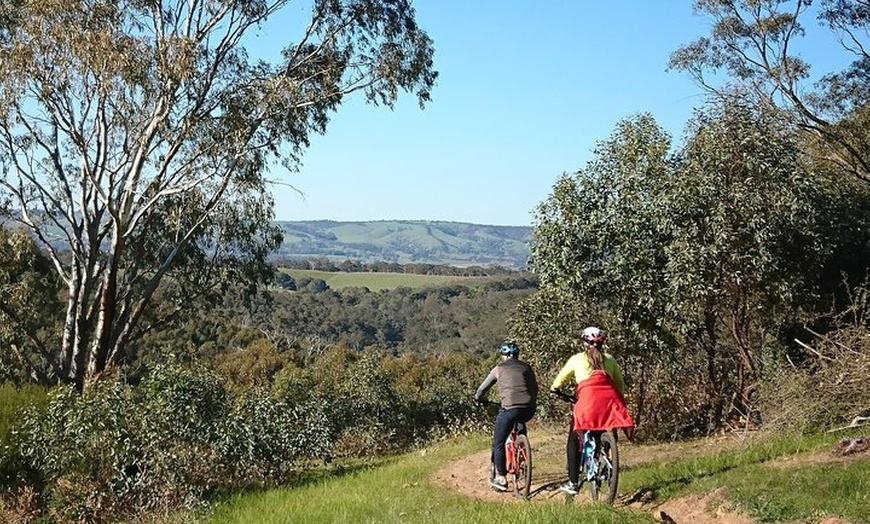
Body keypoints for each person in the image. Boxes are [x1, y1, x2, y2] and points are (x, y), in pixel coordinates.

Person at [549, 326, 634, 495]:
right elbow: (620, 385)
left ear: (583, 343)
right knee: (601, 427)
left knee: (573, 440)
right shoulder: (610, 359)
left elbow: (559, 381)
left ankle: (573, 482)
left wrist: (554, 389)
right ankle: (604, 457)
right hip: (609, 403)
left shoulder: (577, 359)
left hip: (587, 402)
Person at [474, 341, 538, 492]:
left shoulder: (498, 369)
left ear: (503, 356)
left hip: (509, 408)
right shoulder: (526, 367)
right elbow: (534, 388)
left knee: (498, 442)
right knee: (520, 422)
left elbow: (482, 389)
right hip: (528, 409)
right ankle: (522, 448)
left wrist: (478, 398)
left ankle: (502, 478)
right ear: (517, 355)